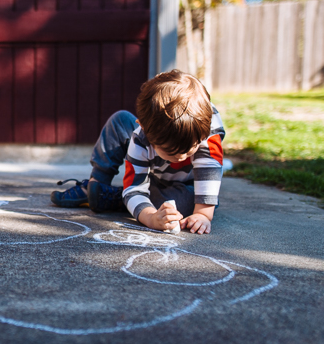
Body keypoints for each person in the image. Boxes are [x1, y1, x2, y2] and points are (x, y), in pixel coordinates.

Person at [51, 70, 225, 234]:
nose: (180, 157)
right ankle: (96, 186)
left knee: (183, 204)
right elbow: (135, 188)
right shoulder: (140, 137)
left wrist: (202, 214)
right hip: (155, 178)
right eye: (171, 152)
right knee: (120, 120)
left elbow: (209, 174)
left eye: (189, 151)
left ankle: (118, 197)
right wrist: (150, 218)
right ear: (145, 131)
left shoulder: (204, 128)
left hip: (184, 186)